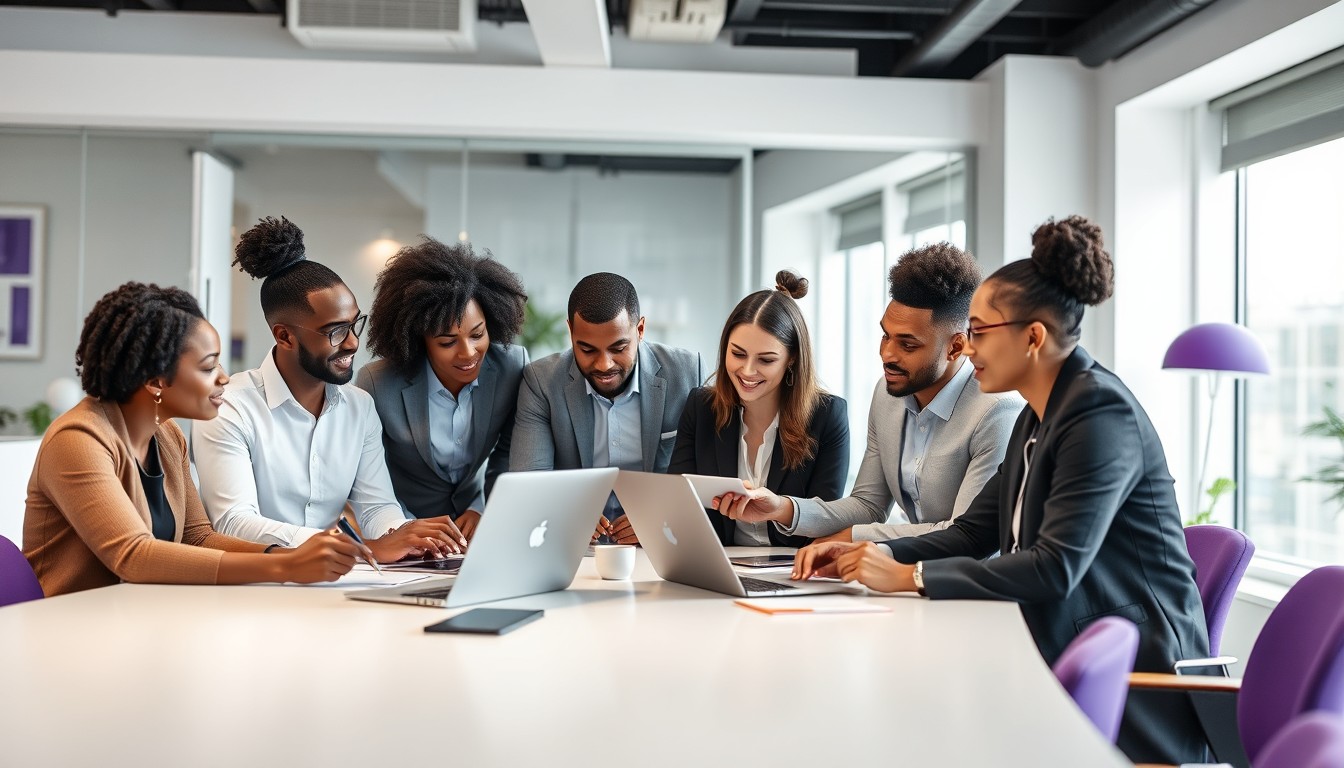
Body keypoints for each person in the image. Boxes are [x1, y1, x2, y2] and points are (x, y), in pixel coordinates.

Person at [792, 216, 1210, 764]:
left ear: (1032, 337)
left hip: (1132, 680)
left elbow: (1054, 566)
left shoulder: (1099, 414)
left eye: (981, 333)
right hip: (1056, 640)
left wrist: (910, 576)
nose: (970, 350)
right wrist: (871, 553)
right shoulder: (1040, 415)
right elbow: (974, 530)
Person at [23, 282, 359, 597]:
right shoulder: (79, 439)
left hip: (139, 617)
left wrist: (289, 554)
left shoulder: (168, 436)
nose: (224, 377)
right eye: (208, 367)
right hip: (69, 629)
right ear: (156, 381)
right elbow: (134, 556)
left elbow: (197, 538)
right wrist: (285, 565)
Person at [193, 216, 465, 560]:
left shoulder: (359, 407)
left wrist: (406, 537)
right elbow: (234, 522)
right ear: (284, 336)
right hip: (254, 582)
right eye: (336, 331)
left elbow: (376, 506)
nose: (352, 343)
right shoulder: (230, 406)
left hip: (332, 579)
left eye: (355, 324)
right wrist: (360, 549)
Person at [715, 243, 1020, 542]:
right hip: (906, 576)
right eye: (886, 335)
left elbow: (967, 535)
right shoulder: (888, 396)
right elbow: (868, 505)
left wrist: (856, 538)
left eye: (908, 345)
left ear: (955, 347)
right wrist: (783, 509)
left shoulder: (996, 412)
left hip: (971, 585)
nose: (887, 353)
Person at [355, 238, 529, 539]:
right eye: (447, 342)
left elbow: (509, 453)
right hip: (404, 527)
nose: (468, 353)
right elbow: (370, 477)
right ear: (419, 340)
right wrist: (404, 527)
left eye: (478, 334)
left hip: (475, 527)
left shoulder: (511, 368)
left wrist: (483, 509)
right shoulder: (377, 383)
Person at [511, 272, 702, 544]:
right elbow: (528, 485)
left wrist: (660, 517)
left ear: (640, 330)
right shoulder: (541, 382)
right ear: (570, 331)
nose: (604, 365)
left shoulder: (686, 372)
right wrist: (566, 516)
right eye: (587, 350)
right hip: (575, 549)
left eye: (618, 348)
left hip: (662, 544)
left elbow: (705, 477)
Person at [668, 271, 848, 547]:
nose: (747, 371)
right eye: (737, 354)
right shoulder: (701, 408)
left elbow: (828, 520)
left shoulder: (827, 416)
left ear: (791, 360)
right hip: (717, 564)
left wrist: (780, 508)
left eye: (766, 360)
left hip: (793, 569)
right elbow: (676, 503)